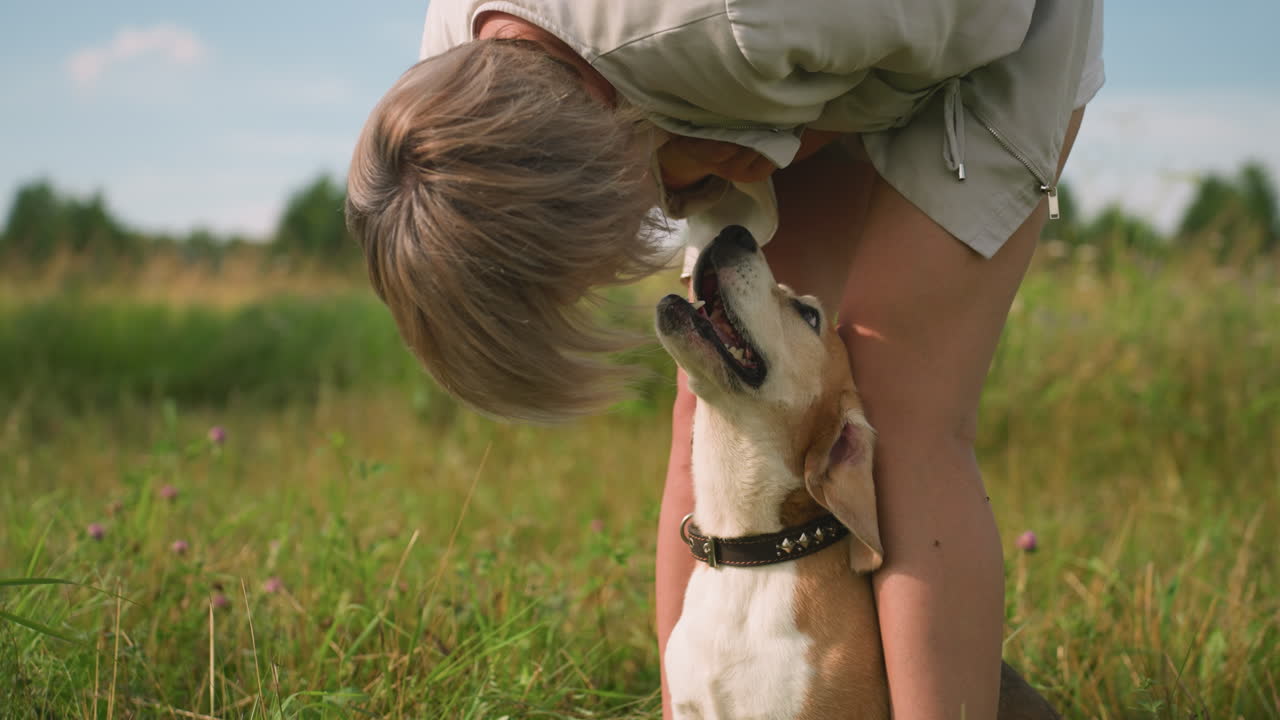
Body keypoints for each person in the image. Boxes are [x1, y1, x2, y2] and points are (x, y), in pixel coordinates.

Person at [345, 1, 1105, 717]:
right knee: (714, 397)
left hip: (986, 33)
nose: (669, 214)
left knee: (898, 401)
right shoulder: (453, 78)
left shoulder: (759, 20)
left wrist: (785, 138)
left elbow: (987, 17)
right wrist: (750, 140)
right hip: (754, 73)